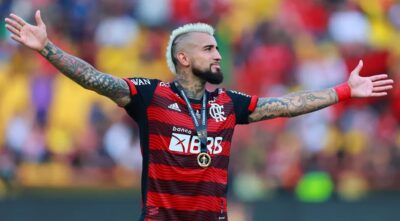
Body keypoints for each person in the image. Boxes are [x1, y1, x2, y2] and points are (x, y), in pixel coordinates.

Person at [5, 10, 393, 221]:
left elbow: (287, 106)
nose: (218, 54)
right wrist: (48, 49)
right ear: (184, 58)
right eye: (208, 49)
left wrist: (343, 90)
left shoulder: (228, 103)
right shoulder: (150, 95)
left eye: (218, 48)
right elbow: (94, 79)